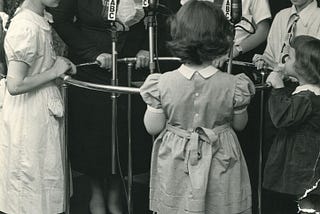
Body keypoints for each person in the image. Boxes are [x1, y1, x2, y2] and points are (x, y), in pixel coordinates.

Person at [140, 1, 255, 213]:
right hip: (221, 158)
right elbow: (240, 124)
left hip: (177, 161)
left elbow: (153, 127)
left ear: (178, 35)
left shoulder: (161, 83)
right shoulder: (234, 85)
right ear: (222, 37)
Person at [48, 1, 150, 214]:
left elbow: (152, 16)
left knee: (121, 132)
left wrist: (144, 47)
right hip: (92, 66)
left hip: (126, 66)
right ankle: (95, 191)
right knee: (94, 137)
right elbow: (61, 19)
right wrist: (92, 52)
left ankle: (115, 193)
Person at [0, 0, 77, 213]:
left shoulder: (38, 19)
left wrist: (58, 65)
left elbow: (35, 67)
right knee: (30, 190)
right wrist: (53, 72)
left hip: (41, 111)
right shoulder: (25, 25)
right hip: (29, 114)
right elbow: (15, 84)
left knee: (43, 185)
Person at [263, 35, 320, 214]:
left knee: (305, 203)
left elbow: (283, 117)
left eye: (290, 57)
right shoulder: (307, 93)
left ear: (303, 67)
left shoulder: (308, 97)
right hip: (299, 161)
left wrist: (278, 88)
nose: (285, 60)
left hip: (302, 164)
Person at [253, 0, 320, 70]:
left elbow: (313, 70)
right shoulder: (281, 16)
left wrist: (277, 67)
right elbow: (269, 54)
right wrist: (263, 61)